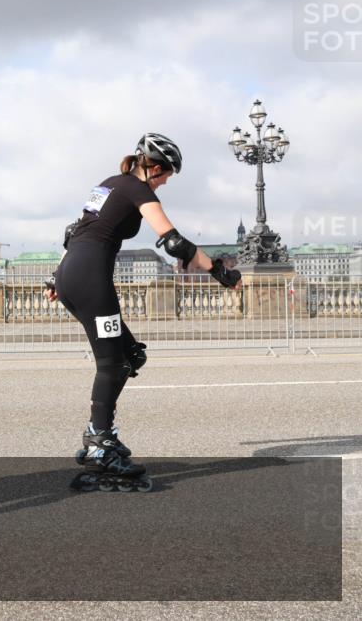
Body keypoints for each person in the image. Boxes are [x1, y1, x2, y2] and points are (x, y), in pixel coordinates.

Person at [46, 133, 242, 489]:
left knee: (130, 354)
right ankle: (99, 442)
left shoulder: (107, 185)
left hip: (71, 274)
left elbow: (73, 232)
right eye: (166, 174)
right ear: (151, 167)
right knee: (114, 363)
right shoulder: (139, 190)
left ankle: (101, 435)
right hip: (89, 276)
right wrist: (221, 273)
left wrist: (56, 278)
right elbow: (174, 241)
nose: (166, 181)